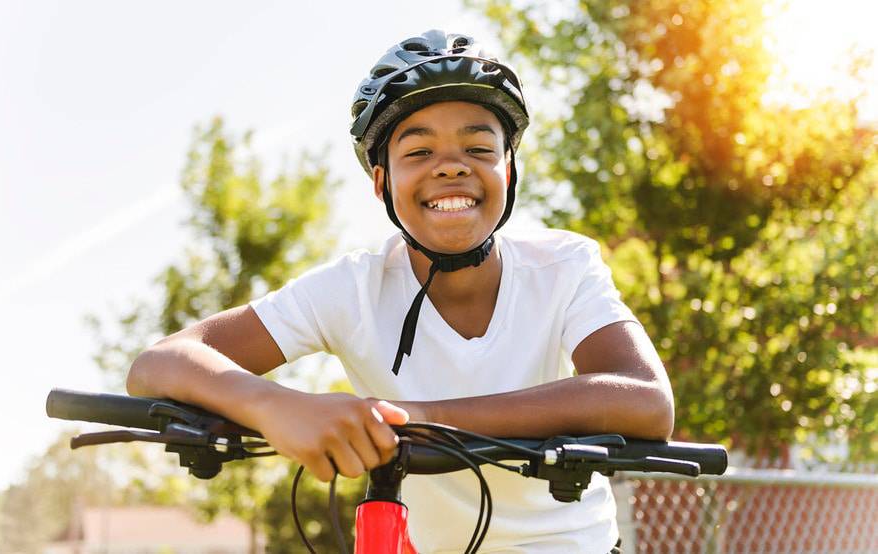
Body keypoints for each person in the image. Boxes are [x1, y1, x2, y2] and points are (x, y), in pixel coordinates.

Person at [127, 30, 674, 554]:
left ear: (509, 168)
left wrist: (413, 417)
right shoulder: (353, 288)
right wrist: (279, 407)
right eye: (417, 153)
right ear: (381, 181)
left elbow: (645, 399)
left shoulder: (564, 266)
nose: (452, 165)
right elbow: (160, 362)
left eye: (480, 147)